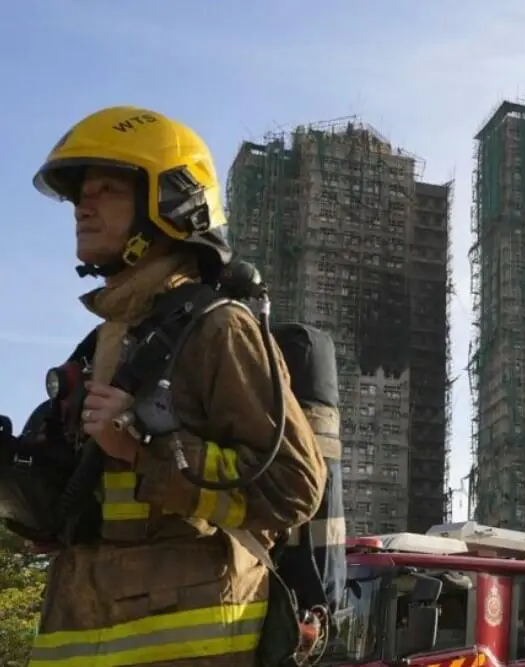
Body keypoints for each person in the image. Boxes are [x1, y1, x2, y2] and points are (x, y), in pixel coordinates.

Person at [18, 106, 327, 666]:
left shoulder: (218, 328)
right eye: (79, 194)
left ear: (171, 201)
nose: (82, 207)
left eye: (107, 189)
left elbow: (292, 488)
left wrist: (145, 452)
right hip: (83, 628)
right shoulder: (105, 340)